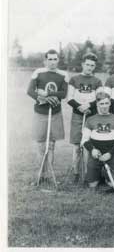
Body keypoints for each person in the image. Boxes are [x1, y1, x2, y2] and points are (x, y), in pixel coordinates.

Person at [27, 49, 68, 183]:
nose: (52, 62)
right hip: (40, 112)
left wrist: (49, 95)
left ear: (58, 60)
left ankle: (50, 176)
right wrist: (42, 98)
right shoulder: (38, 72)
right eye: (49, 59)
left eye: (55, 59)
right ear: (45, 60)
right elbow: (30, 91)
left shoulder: (63, 74)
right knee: (40, 145)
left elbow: (63, 94)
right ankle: (41, 176)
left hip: (55, 113)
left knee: (51, 145)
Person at [68, 52, 102, 183]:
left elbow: (98, 98)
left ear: (94, 66)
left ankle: (89, 173)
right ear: (83, 64)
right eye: (87, 64)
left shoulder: (97, 81)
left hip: (91, 116)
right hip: (77, 115)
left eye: (92, 65)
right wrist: (79, 107)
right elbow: (69, 98)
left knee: (89, 145)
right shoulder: (74, 79)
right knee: (77, 145)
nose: (89, 67)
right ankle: (76, 173)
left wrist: (88, 105)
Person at [81, 92, 114, 189]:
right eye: (101, 104)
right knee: (92, 185)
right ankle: (98, 174)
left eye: (106, 103)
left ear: (110, 104)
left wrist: (110, 153)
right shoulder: (90, 120)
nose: (104, 106)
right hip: (96, 153)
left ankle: (107, 176)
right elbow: (84, 140)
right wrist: (92, 150)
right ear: (97, 104)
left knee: (113, 184)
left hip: (111, 153)